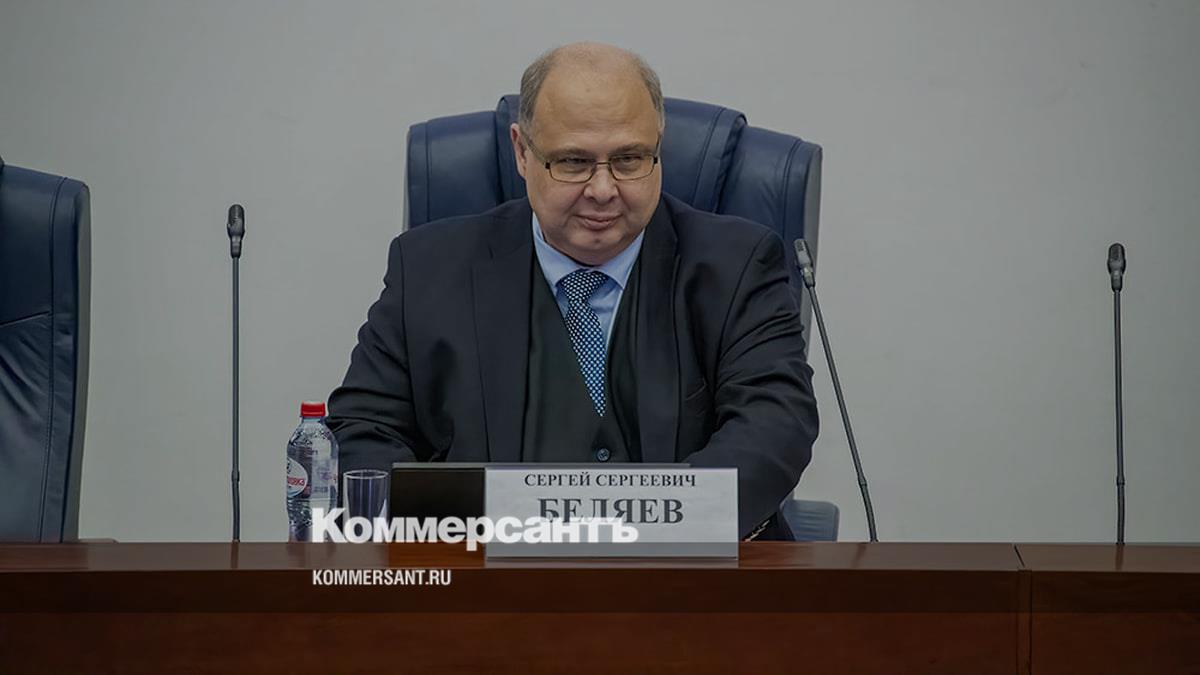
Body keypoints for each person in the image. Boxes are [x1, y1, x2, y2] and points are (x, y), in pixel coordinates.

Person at [327, 42, 818, 539]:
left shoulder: (738, 265)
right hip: (484, 572)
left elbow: (775, 426)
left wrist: (654, 529)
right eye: (573, 162)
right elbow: (363, 434)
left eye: (629, 159)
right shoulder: (428, 270)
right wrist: (476, 526)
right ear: (522, 152)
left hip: (680, 573)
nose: (603, 190)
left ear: (659, 145)